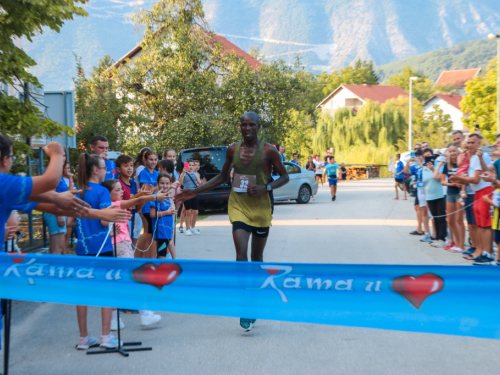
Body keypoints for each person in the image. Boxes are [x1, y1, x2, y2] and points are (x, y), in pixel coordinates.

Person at [175, 112, 289, 332]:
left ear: (258, 126)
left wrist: (265, 187)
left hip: (261, 206)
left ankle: (253, 300)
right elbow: (221, 176)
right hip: (238, 205)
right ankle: (245, 305)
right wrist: (194, 192)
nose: (247, 128)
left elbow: (284, 177)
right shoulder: (232, 149)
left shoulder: (268, 151)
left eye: (251, 125)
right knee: (240, 254)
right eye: (243, 124)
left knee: (257, 257)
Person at [101, 178, 165, 328]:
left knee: (117, 283)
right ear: (108, 194)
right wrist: (154, 196)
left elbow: (134, 199)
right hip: (121, 245)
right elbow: (134, 201)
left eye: (120, 188)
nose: (121, 191)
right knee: (133, 279)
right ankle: (144, 314)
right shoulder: (115, 204)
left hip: (120, 245)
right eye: (117, 189)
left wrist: (140, 195)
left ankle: (114, 320)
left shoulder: (111, 205)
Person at [74, 153, 121, 350]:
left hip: (82, 247)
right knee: (106, 289)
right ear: (95, 170)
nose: (106, 171)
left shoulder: (77, 191)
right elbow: (104, 219)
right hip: (102, 246)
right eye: (103, 168)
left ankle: (83, 337)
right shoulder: (102, 191)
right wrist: (114, 220)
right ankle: (106, 336)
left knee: (82, 293)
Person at [450, 134, 494, 262]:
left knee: (485, 225)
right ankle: (482, 252)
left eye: (473, 142)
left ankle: (487, 254)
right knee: (479, 225)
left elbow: (475, 179)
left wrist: (459, 178)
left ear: (479, 144)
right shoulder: (473, 157)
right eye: (468, 142)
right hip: (478, 193)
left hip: (484, 192)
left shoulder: (482, 156)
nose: (469, 145)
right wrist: (461, 179)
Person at [433, 145, 465, 252]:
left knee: (459, 220)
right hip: (450, 192)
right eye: (451, 151)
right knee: (450, 220)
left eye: (454, 151)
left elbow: (465, 178)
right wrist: (452, 184)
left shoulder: (461, 163)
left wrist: (459, 183)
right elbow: (442, 181)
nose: (453, 153)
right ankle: (456, 243)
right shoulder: (447, 165)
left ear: (457, 151)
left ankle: (461, 245)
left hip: (459, 193)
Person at [44, 151, 70, 255]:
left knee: (57, 248)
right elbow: (52, 194)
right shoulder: (53, 172)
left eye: (64, 155)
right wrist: (59, 215)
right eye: (60, 155)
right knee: (57, 248)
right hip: (55, 212)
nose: (63, 158)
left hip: (59, 212)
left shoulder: (57, 172)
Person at [421, 148, 447, 248]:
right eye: (425, 155)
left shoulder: (438, 166)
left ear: (432, 156)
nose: (428, 157)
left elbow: (440, 178)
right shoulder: (423, 169)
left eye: (429, 155)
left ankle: (442, 238)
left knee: (441, 217)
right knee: (435, 218)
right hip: (430, 196)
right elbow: (425, 183)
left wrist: (432, 168)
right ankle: (436, 238)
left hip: (439, 195)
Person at [136, 149, 159, 258]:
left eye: (155, 159)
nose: (153, 162)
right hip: (146, 206)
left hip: (156, 206)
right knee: (148, 232)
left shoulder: (157, 173)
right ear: (145, 160)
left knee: (152, 233)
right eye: (151, 159)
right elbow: (146, 191)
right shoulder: (143, 172)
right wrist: (158, 188)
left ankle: (145, 256)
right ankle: (136, 256)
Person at [403, 149, 429, 238]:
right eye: (417, 155)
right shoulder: (415, 166)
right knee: (417, 207)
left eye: (420, 155)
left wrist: (420, 163)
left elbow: (426, 172)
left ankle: (426, 231)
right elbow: (407, 172)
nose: (418, 157)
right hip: (419, 190)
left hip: (427, 189)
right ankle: (419, 228)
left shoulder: (426, 164)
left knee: (425, 210)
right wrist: (407, 163)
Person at [150, 173, 177, 258]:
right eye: (162, 183)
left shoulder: (169, 197)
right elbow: (152, 214)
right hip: (160, 231)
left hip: (168, 229)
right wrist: (167, 212)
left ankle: (175, 261)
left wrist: (173, 210)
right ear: (157, 183)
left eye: (167, 183)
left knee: (170, 243)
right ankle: (161, 269)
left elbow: (172, 211)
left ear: (170, 184)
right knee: (162, 253)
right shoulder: (156, 197)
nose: (165, 186)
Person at [132, 148, 151, 243]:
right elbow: (145, 188)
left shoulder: (148, 169)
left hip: (145, 200)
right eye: (145, 156)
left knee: (143, 228)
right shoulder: (141, 169)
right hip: (141, 200)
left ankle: (139, 251)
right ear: (142, 158)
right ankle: (134, 251)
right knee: (139, 228)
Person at [179, 159, 202, 236]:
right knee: (188, 212)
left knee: (195, 212)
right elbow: (180, 182)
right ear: (186, 165)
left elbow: (199, 182)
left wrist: (201, 182)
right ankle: (187, 229)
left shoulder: (195, 174)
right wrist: (183, 172)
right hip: (187, 195)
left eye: (193, 165)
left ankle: (193, 227)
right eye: (190, 165)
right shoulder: (184, 174)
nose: (191, 167)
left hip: (194, 194)